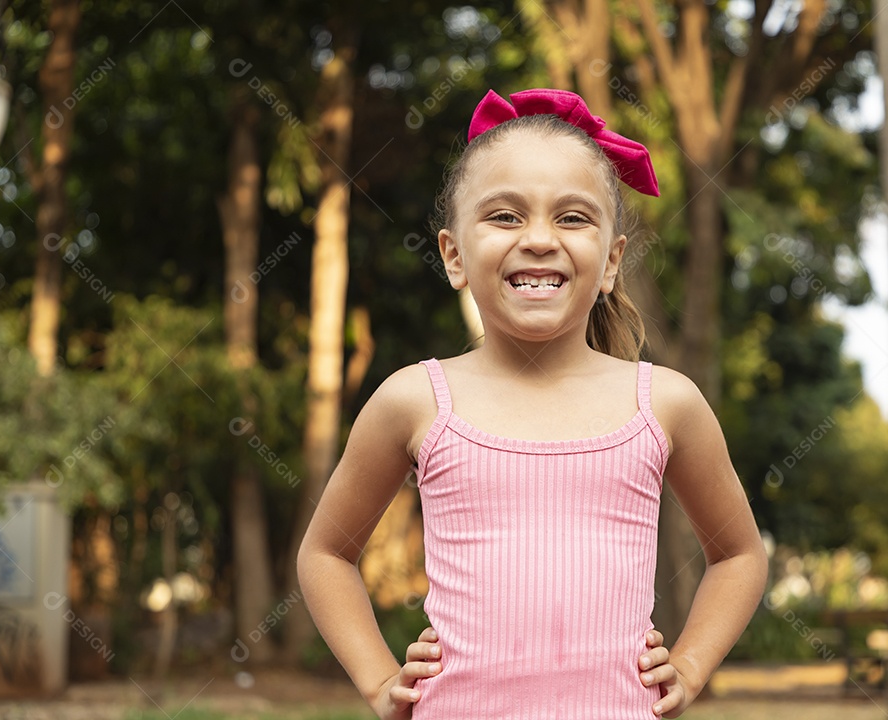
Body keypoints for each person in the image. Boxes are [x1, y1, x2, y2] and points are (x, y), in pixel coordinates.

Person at [298, 88, 768, 719]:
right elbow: (326, 553)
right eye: (505, 216)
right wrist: (380, 680)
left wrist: (688, 666)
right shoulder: (414, 401)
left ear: (611, 262)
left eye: (573, 218)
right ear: (454, 255)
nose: (540, 239)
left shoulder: (664, 403)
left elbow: (738, 554)